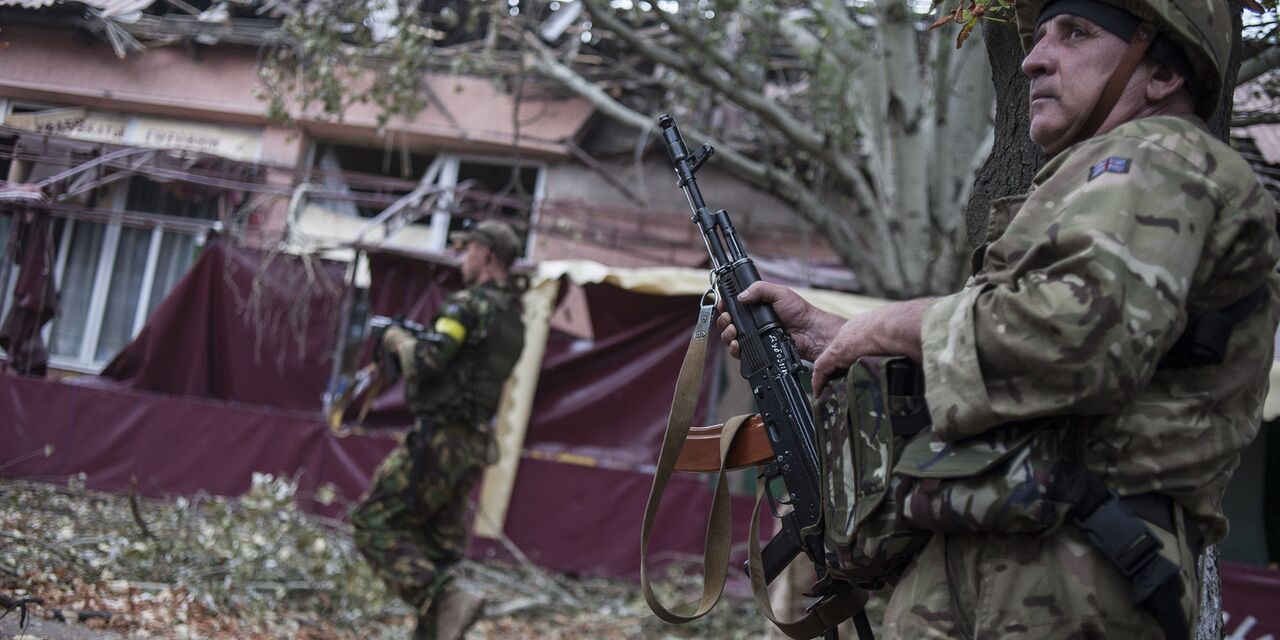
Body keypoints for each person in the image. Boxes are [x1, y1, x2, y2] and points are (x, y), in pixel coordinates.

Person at [718, 0, 1279, 637]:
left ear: (1161, 73)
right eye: (1040, 38)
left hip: (1071, 565)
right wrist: (833, 334)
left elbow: (1075, 341)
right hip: (1009, 557)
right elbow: (1008, 347)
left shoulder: (1158, 158)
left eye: (1077, 34)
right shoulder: (1093, 181)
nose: (1036, 59)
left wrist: (884, 327)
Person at [351, 220, 526, 640]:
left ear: (485, 255)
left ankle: (446, 596)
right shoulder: (514, 320)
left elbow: (428, 361)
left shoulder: (467, 305)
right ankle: (439, 614)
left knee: (372, 522)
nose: (462, 258)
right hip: (471, 446)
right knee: (437, 549)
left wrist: (397, 341)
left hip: (439, 440)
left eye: (467, 251)